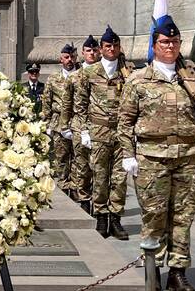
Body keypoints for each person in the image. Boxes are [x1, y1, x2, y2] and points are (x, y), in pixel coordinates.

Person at [118, 15, 195, 291]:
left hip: (188, 155)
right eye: (165, 42)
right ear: (155, 45)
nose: (170, 46)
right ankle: (152, 271)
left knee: (183, 216)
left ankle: (178, 273)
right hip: (152, 158)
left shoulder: (191, 78)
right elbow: (125, 122)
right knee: (154, 216)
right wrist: (128, 155)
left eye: (175, 42)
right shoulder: (139, 81)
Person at [76, 26, 130, 239]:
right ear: (101, 48)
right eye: (108, 46)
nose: (112, 49)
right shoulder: (88, 73)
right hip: (98, 132)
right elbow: (80, 106)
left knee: (119, 178)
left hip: (121, 132)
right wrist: (83, 131)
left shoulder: (128, 71)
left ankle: (115, 219)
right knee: (99, 175)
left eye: (116, 45)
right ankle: (100, 216)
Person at [60, 35, 100, 209]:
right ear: (83, 53)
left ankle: (101, 207)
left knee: (100, 169)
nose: (92, 53)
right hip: (79, 127)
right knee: (82, 166)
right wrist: (63, 126)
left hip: (102, 127)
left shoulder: (107, 74)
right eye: (88, 50)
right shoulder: (75, 76)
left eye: (95, 50)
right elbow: (67, 104)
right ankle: (84, 201)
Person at [42, 44, 77, 194]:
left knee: (77, 159)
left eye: (72, 57)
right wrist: (47, 123)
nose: (70, 60)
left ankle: (76, 190)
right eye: (66, 57)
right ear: (60, 59)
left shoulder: (81, 76)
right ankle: (63, 189)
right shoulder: (53, 79)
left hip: (76, 122)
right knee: (61, 158)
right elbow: (47, 102)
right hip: (57, 123)